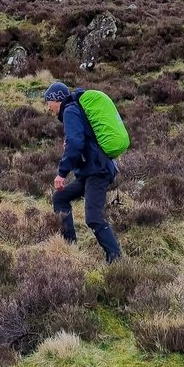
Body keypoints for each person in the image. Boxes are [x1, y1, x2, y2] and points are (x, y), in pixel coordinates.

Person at [44, 81, 122, 263]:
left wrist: (61, 173)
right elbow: (82, 143)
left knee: (93, 218)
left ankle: (116, 259)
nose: (48, 107)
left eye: (48, 101)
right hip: (90, 171)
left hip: (98, 171)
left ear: (57, 99)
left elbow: (76, 143)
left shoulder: (70, 111)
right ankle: (69, 246)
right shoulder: (73, 111)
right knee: (60, 198)